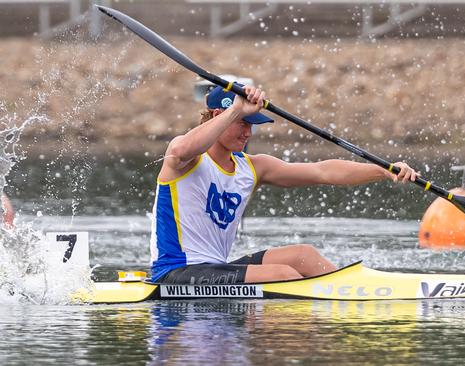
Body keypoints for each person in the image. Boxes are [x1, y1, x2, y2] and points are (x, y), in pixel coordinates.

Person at [150, 84, 418, 284]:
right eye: (243, 123)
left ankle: (356, 295)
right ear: (220, 114)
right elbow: (180, 149)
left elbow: (322, 171)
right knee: (282, 274)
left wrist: (384, 170)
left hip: (213, 270)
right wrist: (235, 111)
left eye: (251, 125)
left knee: (303, 255)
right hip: (174, 273)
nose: (248, 132)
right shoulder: (186, 159)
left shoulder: (253, 167)